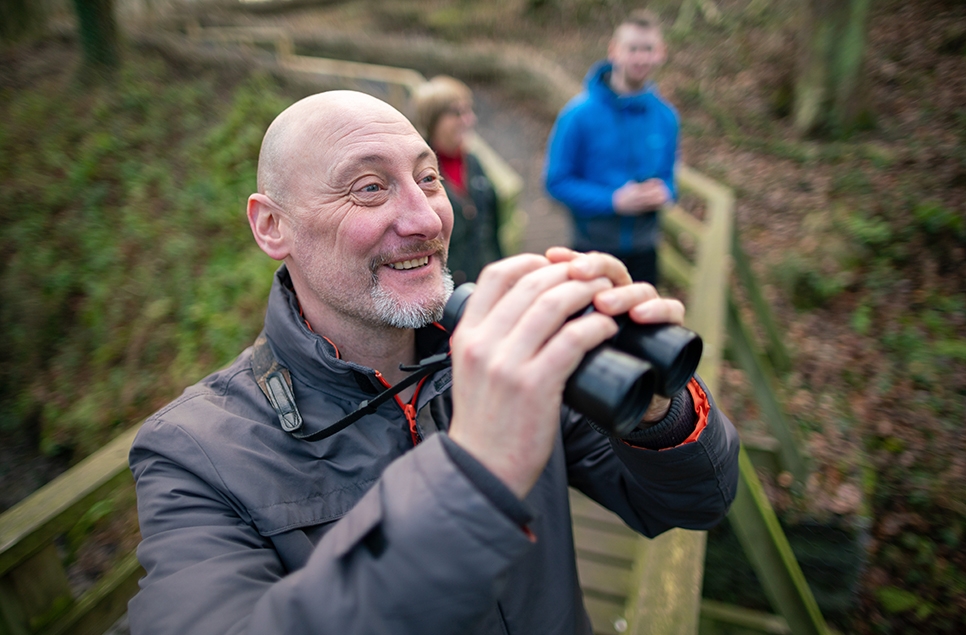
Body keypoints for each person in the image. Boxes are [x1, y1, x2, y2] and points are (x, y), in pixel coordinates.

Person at [127, 89, 739, 635]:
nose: (425, 220)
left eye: (428, 180)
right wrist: (474, 475)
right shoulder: (193, 452)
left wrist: (658, 402)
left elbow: (692, 502)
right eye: (369, 188)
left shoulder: (508, 354)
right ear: (272, 226)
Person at [544, 9, 677, 286]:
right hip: (591, 249)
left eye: (648, 49)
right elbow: (556, 182)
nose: (641, 58)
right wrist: (613, 200)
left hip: (645, 251)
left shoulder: (667, 117)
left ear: (660, 53)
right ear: (614, 51)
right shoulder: (577, 115)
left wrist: (665, 192)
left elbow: (670, 177)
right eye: (633, 49)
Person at [412, 75, 503, 285]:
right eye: (456, 113)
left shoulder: (473, 162)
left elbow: (491, 228)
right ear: (431, 119)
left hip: (483, 282)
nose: (468, 120)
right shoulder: (417, 172)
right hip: (444, 291)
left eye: (468, 111)